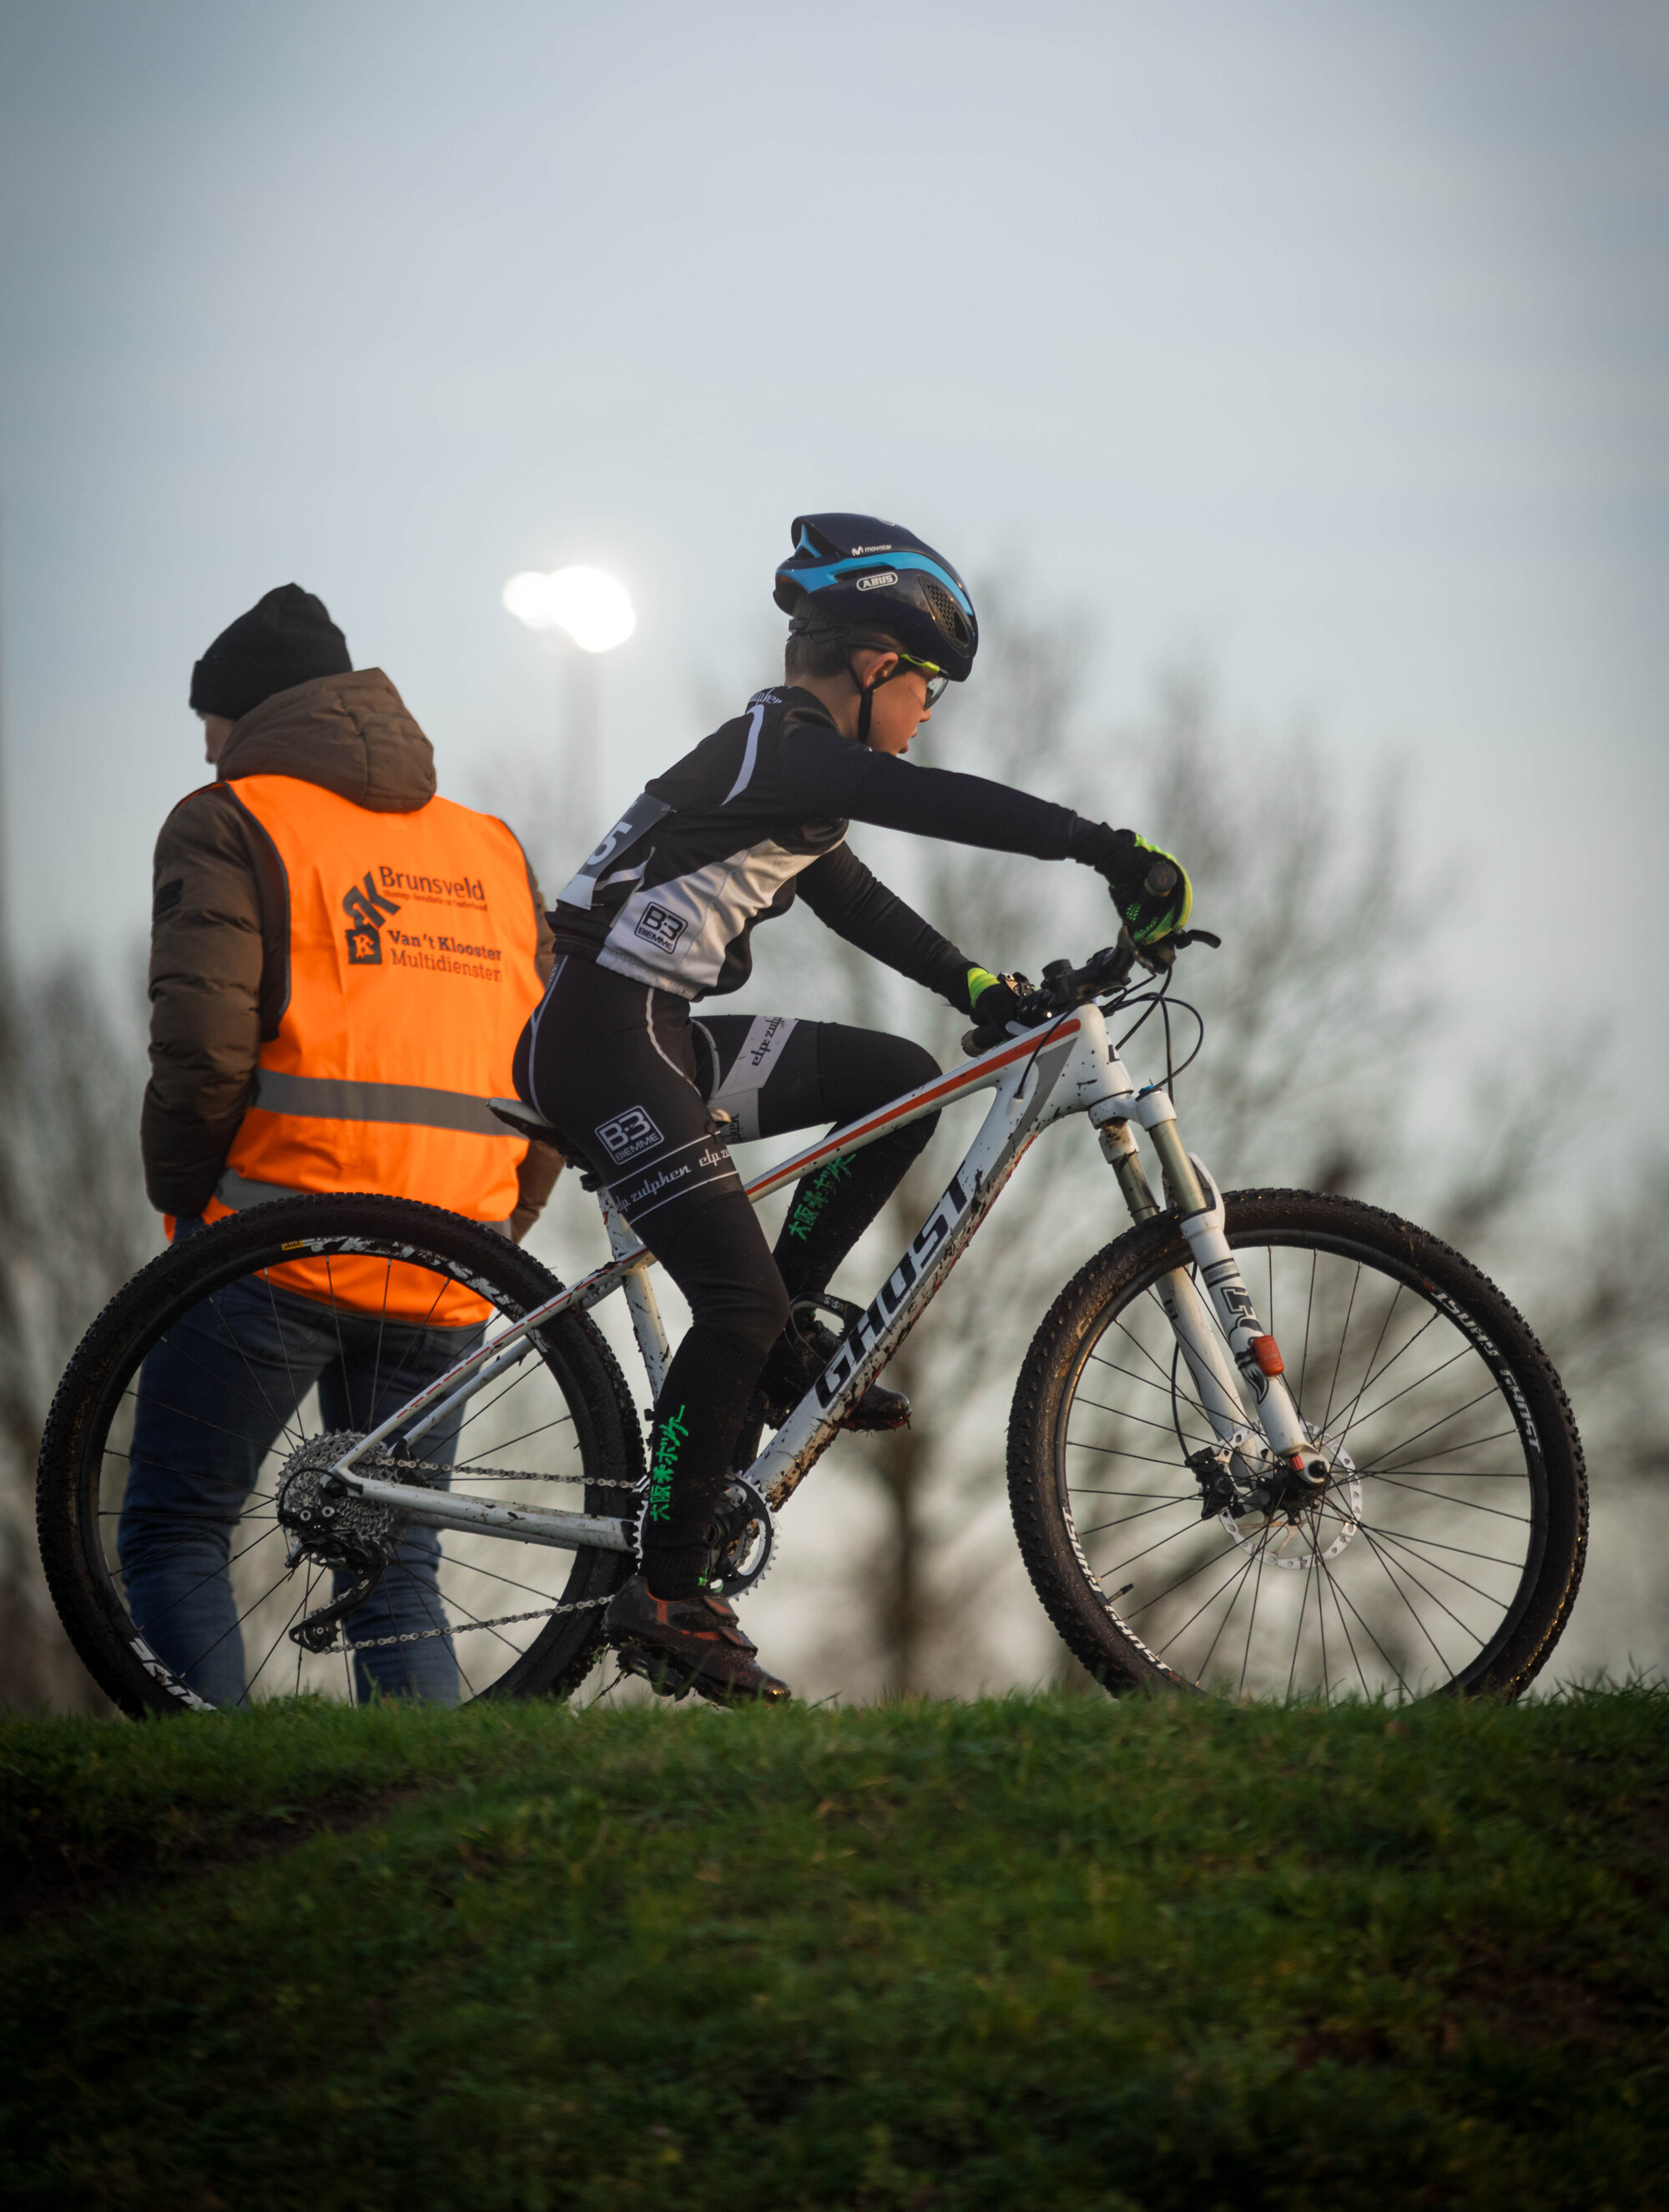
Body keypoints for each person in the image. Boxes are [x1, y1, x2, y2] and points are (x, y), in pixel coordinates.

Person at [516, 514, 1191, 1706]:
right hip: (602, 1038)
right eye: (927, 685)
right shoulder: (788, 748)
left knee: (896, 1080)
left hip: (655, 1031)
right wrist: (1100, 847)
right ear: (877, 663)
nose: (929, 709)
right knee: (733, 1297)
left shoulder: (787, 773)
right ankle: (668, 1589)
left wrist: (970, 982)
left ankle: (777, 1353)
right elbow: (926, 805)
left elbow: (852, 895)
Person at [120, 583, 564, 1705]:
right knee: (398, 1569)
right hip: (451, 1254)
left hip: (274, 1238)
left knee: (175, 1529)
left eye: (207, 720)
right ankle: (422, 1830)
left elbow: (203, 1052)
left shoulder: (228, 818)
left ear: (246, 716)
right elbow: (557, 1063)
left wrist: (185, 1211)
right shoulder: (488, 847)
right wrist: (504, 1222)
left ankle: (210, 1809)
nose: (206, 744)